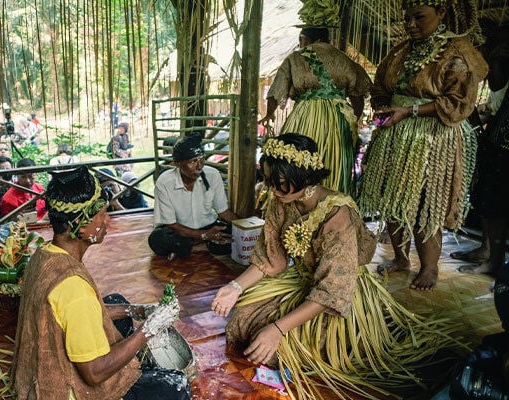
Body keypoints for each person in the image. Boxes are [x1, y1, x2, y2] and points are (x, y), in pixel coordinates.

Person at [212, 134, 465, 400]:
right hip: (302, 281)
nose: (272, 190)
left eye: (280, 184)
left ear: (303, 178)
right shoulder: (280, 202)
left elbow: (331, 291)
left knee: (278, 350)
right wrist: (234, 286)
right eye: (270, 182)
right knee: (240, 323)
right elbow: (272, 260)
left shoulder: (337, 214)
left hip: (337, 294)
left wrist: (278, 329)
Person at [11, 166, 189, 400]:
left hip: (38, 370)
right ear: (82, 225)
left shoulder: (45, 253)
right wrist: (148, 330)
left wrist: (138, 310)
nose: (107, 220)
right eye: (103, 213)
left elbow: (74, 314)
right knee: (177, 387)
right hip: (66, 389)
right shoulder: (73, 288)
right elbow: (94, 374)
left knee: (118, 303)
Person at [358, 0, 487, 290]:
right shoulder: (402, 51)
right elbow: (380, 84)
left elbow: (459, 102)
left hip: (433, 137)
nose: (411, 25)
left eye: (419, 17)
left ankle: (430, 267)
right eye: (407, 19)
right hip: (396, 133)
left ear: (441, 12)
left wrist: (412, 111)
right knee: (393, 199)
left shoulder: (457, 51)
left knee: (425, 203)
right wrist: (385, 108)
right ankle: (401, 258)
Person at [258, 0, 371, 196]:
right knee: (334, 167)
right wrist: (353, 119)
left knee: (297, 163)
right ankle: (332, 205)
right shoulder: (343, 58)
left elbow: (277, 90)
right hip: (338, 120)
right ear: (328, 38)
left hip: (305, 117)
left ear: (304, 38)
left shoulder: (296, 57)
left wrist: (269, 114)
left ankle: (297, 205)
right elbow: (358, 94)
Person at [454, 20, 509, 275]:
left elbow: (495, 81)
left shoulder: (500, 55)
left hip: (501, 144)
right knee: (490, 202)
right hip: (499, 142)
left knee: (494, 202)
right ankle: (490, 257)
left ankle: (493, 261)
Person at [148, 133, 237, 259]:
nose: (199, 166)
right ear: (177, 163)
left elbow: (223, 212)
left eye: (202, 159)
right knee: (157, 239)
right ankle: (204, 246)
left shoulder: (213, 175)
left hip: (208, 227)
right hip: (179, 231)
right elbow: (171, 224)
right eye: (193, 161)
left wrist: (246, 226)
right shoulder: (165, 183)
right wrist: (204, 236)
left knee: (234, 235)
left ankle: (189, 248)